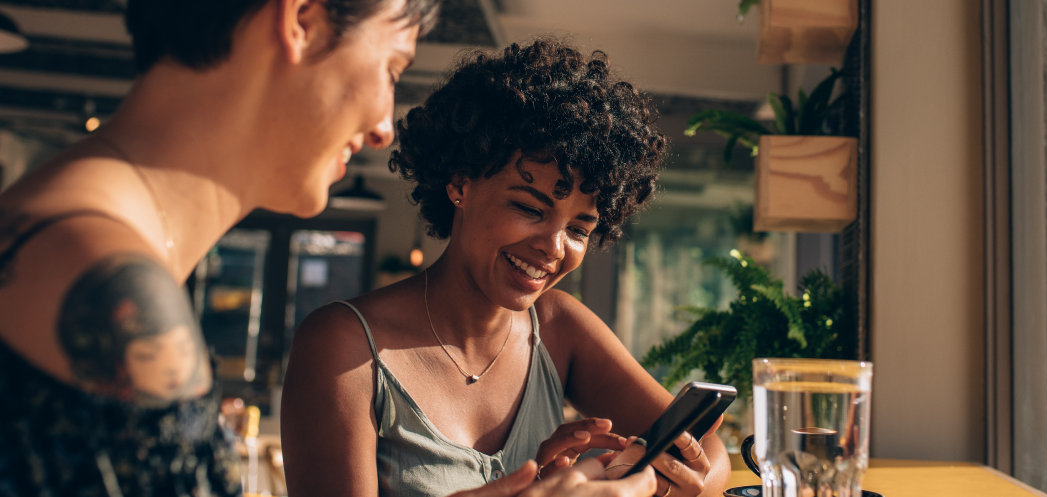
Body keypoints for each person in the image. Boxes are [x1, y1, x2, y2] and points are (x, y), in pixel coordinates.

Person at [0, 1, 655, 496]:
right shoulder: (103, 277)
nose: (381, 126)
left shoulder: (68, 227)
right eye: (393, 66)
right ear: (303, 21)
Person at [281, 38, 731, 497]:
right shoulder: (342, 346)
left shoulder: (559, 326)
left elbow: (707, 451)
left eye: (578, 229)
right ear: (460, 183)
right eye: (529, 209)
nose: (553, 248)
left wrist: (662, 480)